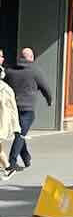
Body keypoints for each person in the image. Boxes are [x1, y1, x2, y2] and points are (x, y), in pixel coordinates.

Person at [2, 49, 52, 178]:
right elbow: (45, 87)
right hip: (27, 109)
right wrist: (49, 100)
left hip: (13, 108)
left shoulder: (10, 71)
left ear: (20, 57)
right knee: (20, 135)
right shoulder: (35, 71)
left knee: (20, 133)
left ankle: (26, 157)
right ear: (31, 57)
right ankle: (12, 163)